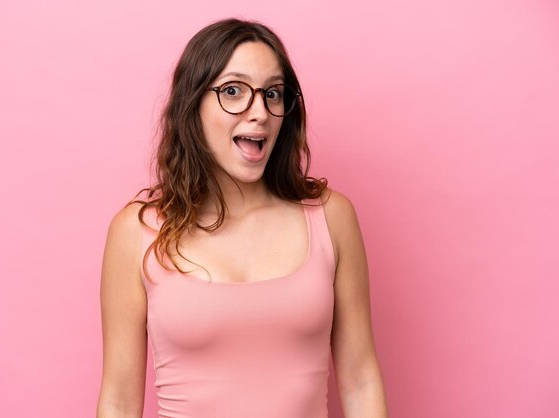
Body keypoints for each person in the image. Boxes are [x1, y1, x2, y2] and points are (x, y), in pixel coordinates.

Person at [96, 18, 388, 418]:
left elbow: (360, 380)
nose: (260, 112)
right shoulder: (136, 232)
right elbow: (118, 400)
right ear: (192, 104)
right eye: (233, 91)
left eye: (273, 93)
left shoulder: (331, 218)